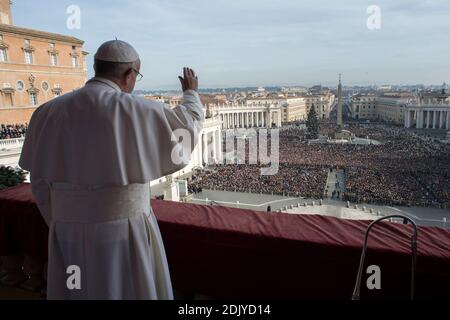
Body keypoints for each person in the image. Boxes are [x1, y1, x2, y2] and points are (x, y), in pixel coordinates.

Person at [19, 40, 204, 300]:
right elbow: (186, 131)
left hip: (67, 232)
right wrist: (191, 94)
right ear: (129, 75)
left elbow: (38, 181)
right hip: (124, 232)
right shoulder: (139, 109)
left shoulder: (47, 112)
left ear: (96, 68)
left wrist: (64, 219)